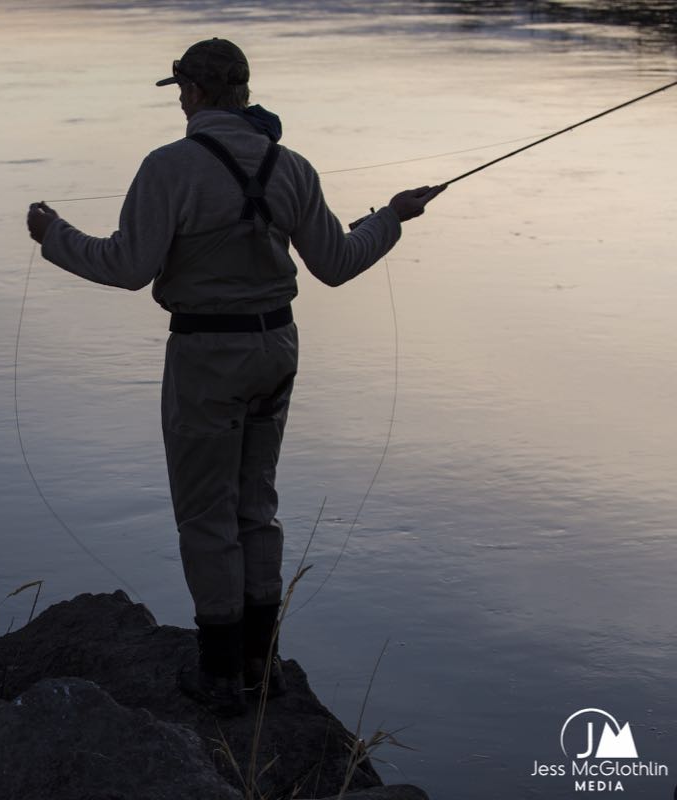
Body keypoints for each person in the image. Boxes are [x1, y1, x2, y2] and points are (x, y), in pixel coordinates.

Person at [25, 38, 443, 717]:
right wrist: (392, 218)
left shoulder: (170, 167)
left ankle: (221, 676)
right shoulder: (293, 166)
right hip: (278, 347)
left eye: (183, 90)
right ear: (244, 91)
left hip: (207, 354)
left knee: (206, 515)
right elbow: (336, 263)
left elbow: (127, 266)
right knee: (257, 506)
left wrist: (53, 234)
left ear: (191, 92)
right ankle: (262, 663)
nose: (183, 99)